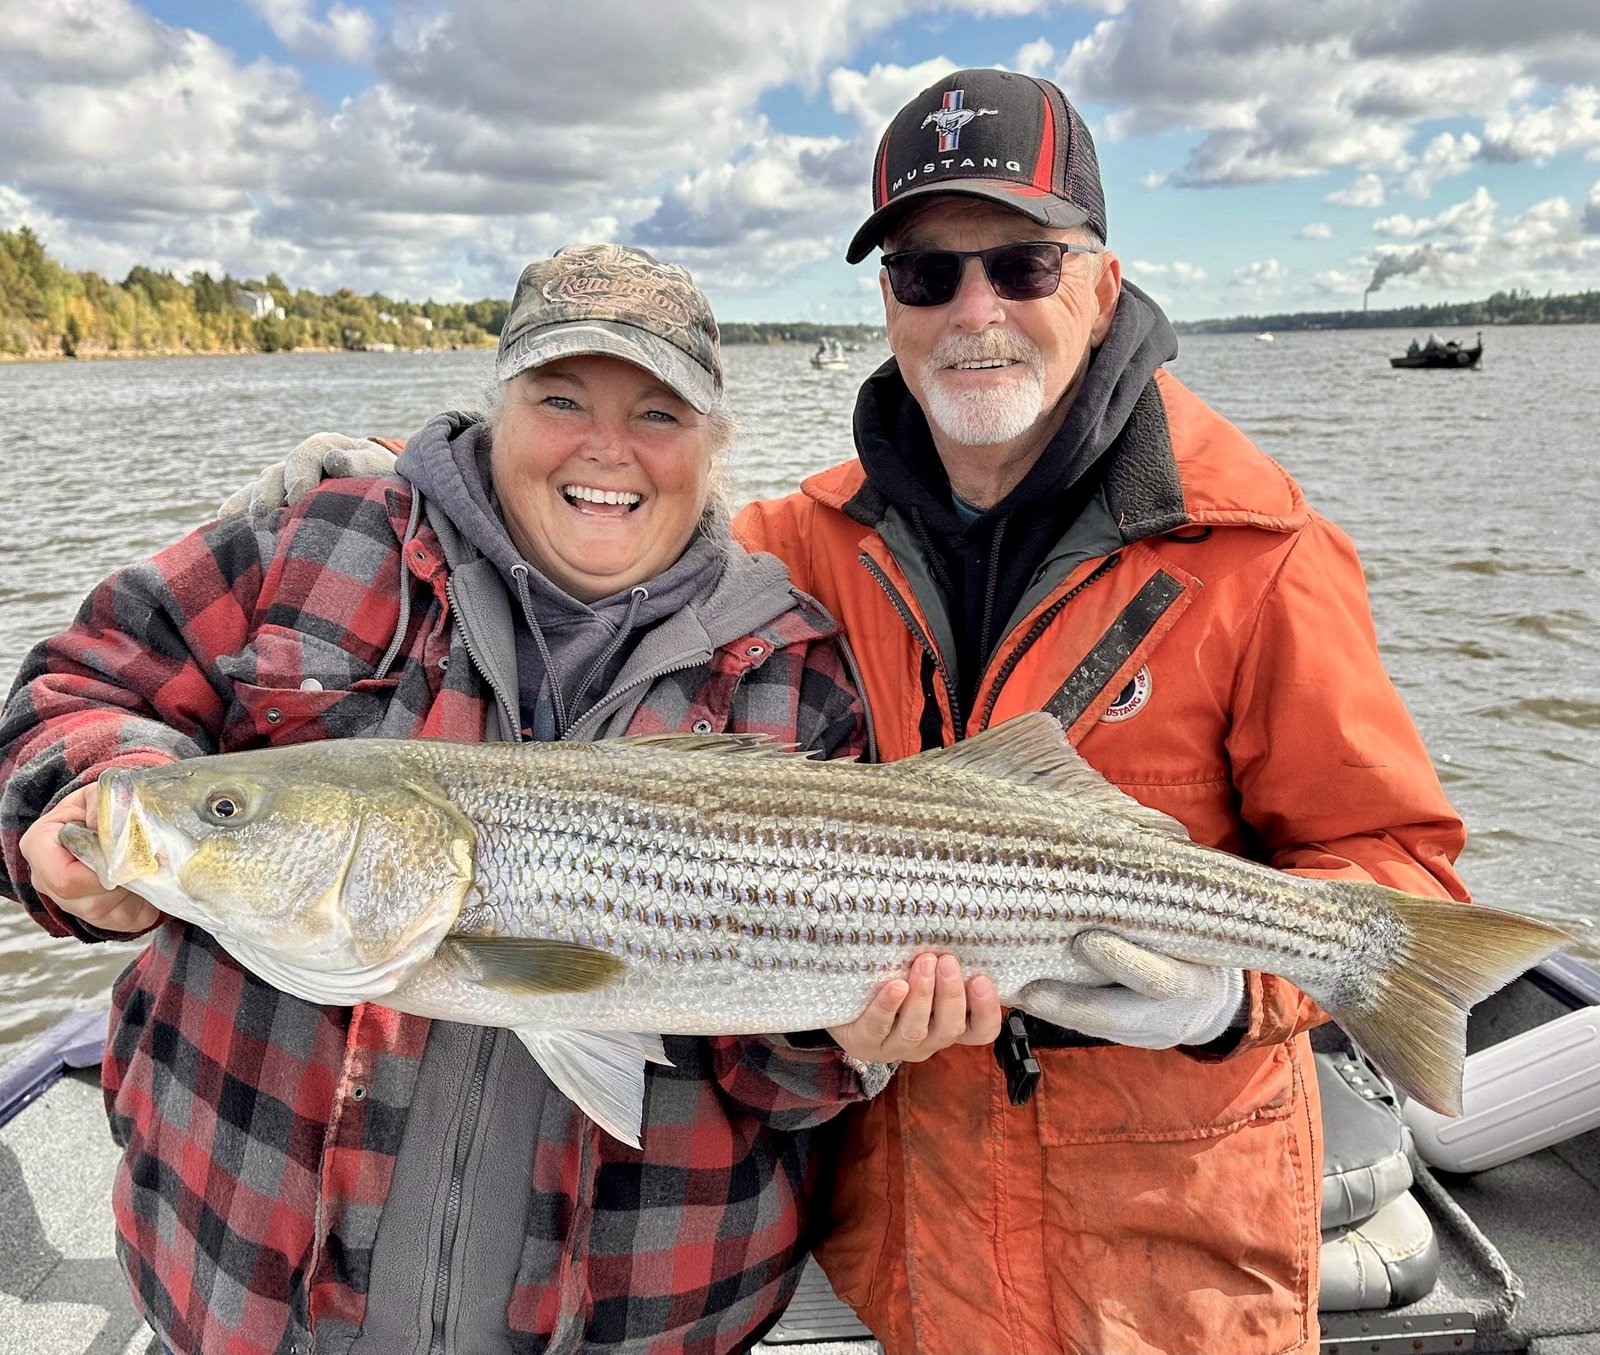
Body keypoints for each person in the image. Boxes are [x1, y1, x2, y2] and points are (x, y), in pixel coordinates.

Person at [217, 72, 1470, 1354]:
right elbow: (620, 517)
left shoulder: (1264, 547)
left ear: (1099, 279)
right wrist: (419, 482)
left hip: (1164, 1261)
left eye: (1021, 265)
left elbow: (1403, 862)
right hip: (909, 1253)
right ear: (887, 304)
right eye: (927, 276)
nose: (973, 311)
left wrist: (1226, 1001)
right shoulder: (798, 539)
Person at [0, 243, 997, 1355]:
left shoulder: (791, 668)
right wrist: (90, 789)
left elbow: (779, 1078)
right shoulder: (325, 533)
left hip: (639, 1319)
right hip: (241, 1296)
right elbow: (83, 678)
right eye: (560, 397)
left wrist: (853, 1037)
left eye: (659, 413)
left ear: (715, 447)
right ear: (496, 407)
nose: (605, 449)